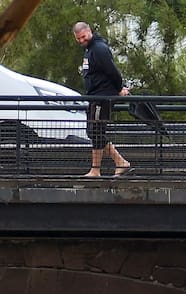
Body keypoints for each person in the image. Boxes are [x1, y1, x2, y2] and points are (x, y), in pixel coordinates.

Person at [72, 21, 132, 178]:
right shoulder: (90, 49)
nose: (81, 41)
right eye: (78, 39)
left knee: (95, 132)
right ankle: (98, 169)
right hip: (95, 96)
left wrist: (119, 88)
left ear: (89, 31)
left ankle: (118, 163)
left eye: (83, 37)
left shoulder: (99, 49)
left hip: (102, 97)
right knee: (94, 132)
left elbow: (112, 71)